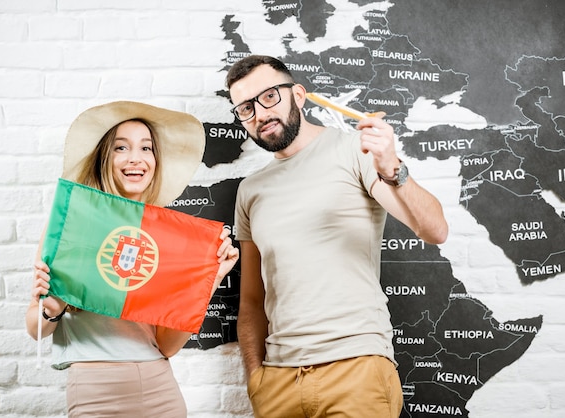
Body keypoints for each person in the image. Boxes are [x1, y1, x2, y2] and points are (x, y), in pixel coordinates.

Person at [227, 55, 448, 417]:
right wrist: (256, 380)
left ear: (298, 95)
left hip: (356, 369)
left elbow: (435, 229)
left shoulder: (355, 151)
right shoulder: (250, 191)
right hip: (279, 385)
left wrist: (392, 166)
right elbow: (252, 299)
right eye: (246, 108)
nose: (260, 114)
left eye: (269, 97)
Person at [25, 101, 239, 418]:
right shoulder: (71, 224)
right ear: (104, 158)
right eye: (120, 148)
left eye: (146, 148)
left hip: (159, 386)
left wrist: (211, 278)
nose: (135, 158)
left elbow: (166, 346)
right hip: (95, 389)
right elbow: (36, 329)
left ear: (155, 161)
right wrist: (52, 308)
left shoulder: (166, 238)